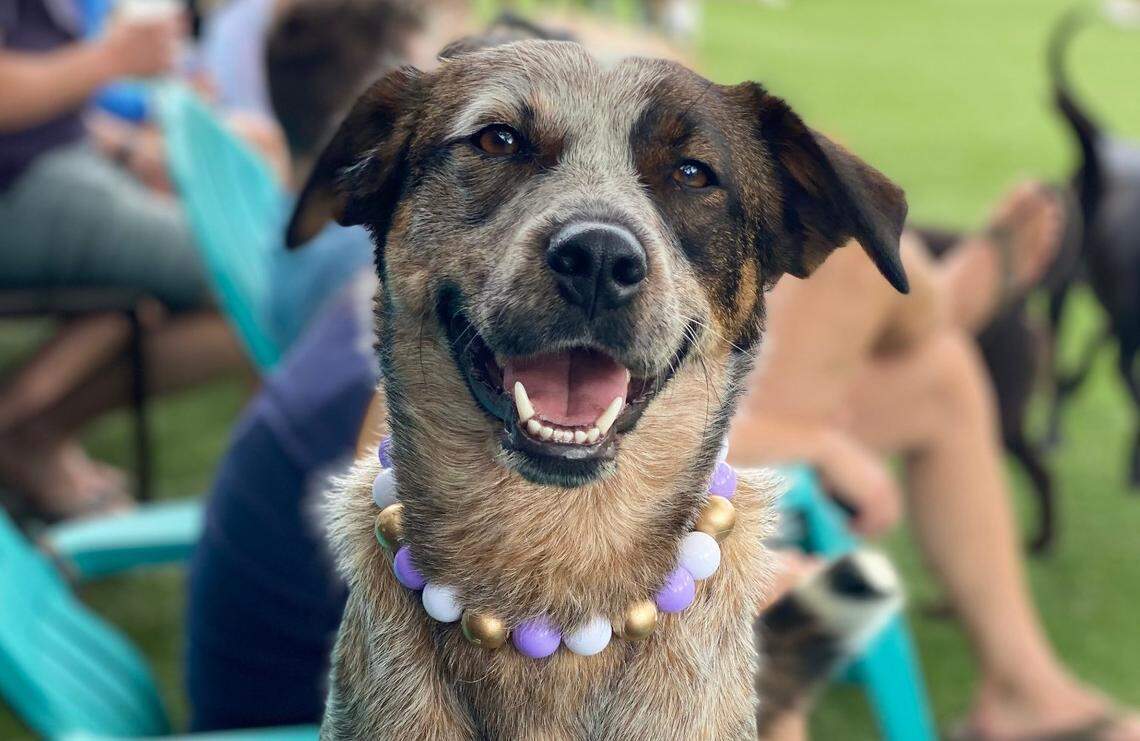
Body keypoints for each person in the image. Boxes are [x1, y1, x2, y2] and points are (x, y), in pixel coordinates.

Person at [731, 183, 1140, 741]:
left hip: (730, 541)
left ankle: (1023, 689)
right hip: (664, 586)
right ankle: (942, 303)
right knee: (851, 250)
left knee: (937, 374)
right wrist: (814, 445)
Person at [0, 0, 252, 520]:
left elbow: (53, 115)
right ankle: (25, 432)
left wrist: (128, 151)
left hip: (50, 174)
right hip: (19, 191)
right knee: (251, 287)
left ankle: (30, 428)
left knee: (217, 254)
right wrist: (112, 58)